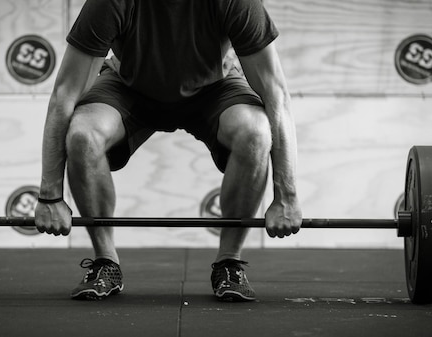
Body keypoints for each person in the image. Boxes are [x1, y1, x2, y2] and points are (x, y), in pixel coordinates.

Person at [35, 0, 303, 302]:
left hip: (212, 88)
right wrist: (50, 195)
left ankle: (229, 262)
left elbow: (276, 95)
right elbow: (64, 95)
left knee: (255, 133)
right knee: (83, 136)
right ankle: (105, 262)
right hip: (129, 86)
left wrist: (287, 197)